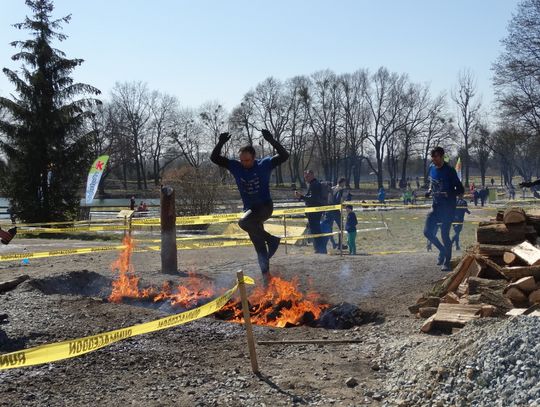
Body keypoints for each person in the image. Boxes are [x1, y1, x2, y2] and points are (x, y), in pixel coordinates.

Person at [211, 129, 289, 278]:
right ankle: (266, 276)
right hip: (251, 210)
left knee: (243, 223)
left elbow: (284, 155)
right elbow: (214, 158)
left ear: (254, 158)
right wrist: (220, 142)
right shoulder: (235, 166)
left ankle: (272, 240)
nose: (244, 163)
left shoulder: (264, 164)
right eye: (242, 160)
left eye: (247, 160)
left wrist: (271, 140)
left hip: (265, 206)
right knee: (258, 244)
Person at [424, 146, 464, 272]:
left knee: (444, 234)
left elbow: (461, 190)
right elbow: (432, 183)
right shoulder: (432, 168)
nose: (433, 159)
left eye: (435, 157)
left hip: (448, 208)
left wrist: (449, 193)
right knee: (427, 232)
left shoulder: (450, 170)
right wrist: (429, 191)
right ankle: (442, 250)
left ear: (441, 156)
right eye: (432, 157)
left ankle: (447, 261)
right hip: (436, 207)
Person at [295, 170, 327, 254]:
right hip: (314, 210)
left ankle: (320, 249)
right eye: (305, 177)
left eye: (307, 176)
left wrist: (301, 197)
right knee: (315, 230)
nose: (306, 179)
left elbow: (313, 198)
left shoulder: (314, 185)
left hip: (314, 211)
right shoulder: (313, 184)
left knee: (316, 230)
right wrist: (302, 197)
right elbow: (311, 197)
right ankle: (319, 249)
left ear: (312, 175)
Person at [327, 177, 347, 250]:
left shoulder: (332, 188)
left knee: (329, 228)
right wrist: (342, 204)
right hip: (335, 210)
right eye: (344, 182)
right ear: (342, 182)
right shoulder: (340, 189)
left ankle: (333, 244)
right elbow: (338, 200)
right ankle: (340, 245)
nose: (345, 184)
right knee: (341, 227)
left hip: (328, 210)